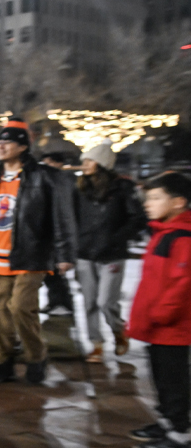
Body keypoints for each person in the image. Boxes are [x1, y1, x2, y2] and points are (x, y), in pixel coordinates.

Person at [0, 117, 78, 385]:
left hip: (31, 255)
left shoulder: (45, 177)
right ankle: (3, 362)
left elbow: (62, 216)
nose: (1, 145)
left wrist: (65, 254)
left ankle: (36, 357)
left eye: (8, 141)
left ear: (22, 147)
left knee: (20, 308)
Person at [127, 172, 191, 448]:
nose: (147, 203)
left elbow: (183, 282)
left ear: (178, 203)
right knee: (159, 376)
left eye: (155, 198)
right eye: (147, 197)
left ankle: (181, 434)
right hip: (158, 324)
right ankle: (167, 422)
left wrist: (162, 313)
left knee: (173, 380)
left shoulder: (182, 237)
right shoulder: (164, 233)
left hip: (173, 326)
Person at [73, 139, 147, 363]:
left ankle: (118, 331)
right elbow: (73, 217)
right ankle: (96, 344)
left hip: (112, 254)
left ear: (102, 162)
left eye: (89, 160)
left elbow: (137, 218)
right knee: (89, 302)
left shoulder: (123, 187)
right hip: (85, 253)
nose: (84, 164)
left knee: (106, 301)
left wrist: (116, 239)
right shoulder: (80, 188)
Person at [38, 152, 77, 317]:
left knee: (54, 273)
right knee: (51, 273)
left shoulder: (65, 181)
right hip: (49, 235)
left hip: (56, 236)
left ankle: (61, 303)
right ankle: (57, 302)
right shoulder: (53, 181)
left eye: (48, 163)